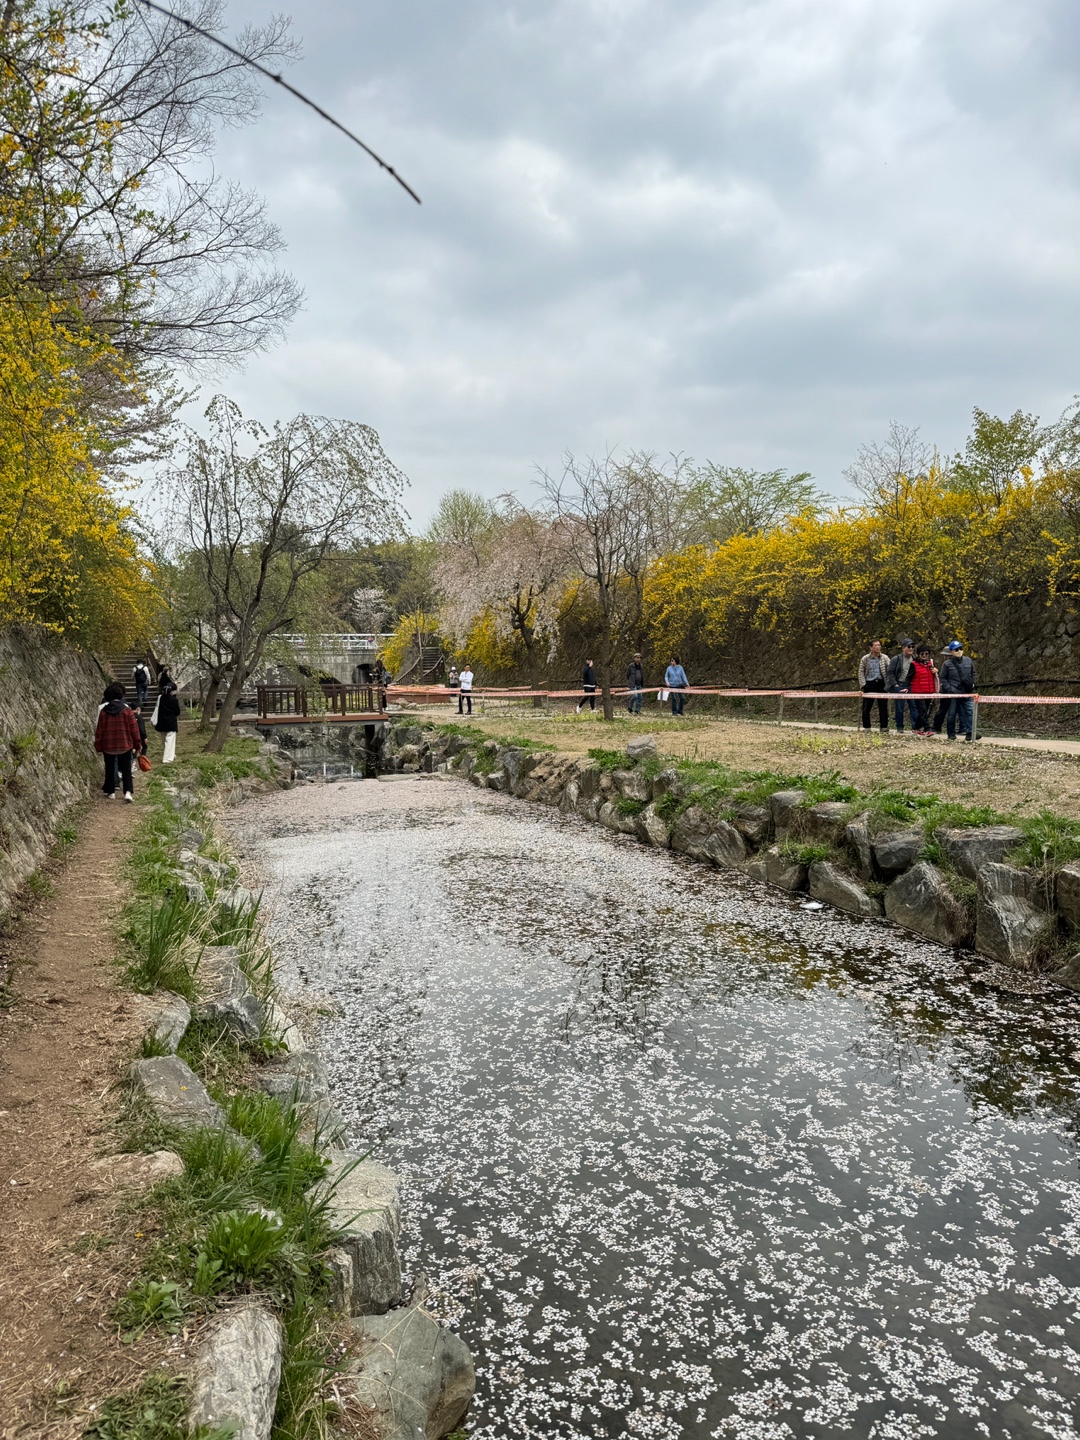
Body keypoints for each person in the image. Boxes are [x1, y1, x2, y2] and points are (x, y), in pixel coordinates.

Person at [95, 683, 141, 801]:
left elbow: (99, 730)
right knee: (126, 768)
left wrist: (98, 746)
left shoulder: (104, 712)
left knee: (109, 768)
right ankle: (127, 792)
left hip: (108, 745)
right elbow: (134, 729)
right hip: (125, 744)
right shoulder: (127, 711)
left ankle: (111, 792)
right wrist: (137, 744)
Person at [933, 640, 976, 741]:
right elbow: (943, 678)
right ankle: (951, 733)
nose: (959, 651)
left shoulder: (968, 661)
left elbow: (973, 673)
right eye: (957, 649)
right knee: (952, 713)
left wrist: (973, 683)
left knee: (970, 712)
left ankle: (969, 733)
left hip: (967, 692)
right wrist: (950, 689)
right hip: (953, 693)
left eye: (961, 648)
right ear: (951, 651)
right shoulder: (947, 664)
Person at [858, 639, 890, 732]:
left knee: (883, 706)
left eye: (879, 645)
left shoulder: (885, 658)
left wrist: (888, 684)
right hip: (869, 683)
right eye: (875, 645)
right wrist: (863, 684)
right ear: (871, 647)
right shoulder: (865, 659)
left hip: (881, 683)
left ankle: (884, 726)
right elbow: (861, 671)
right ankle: (867, 727)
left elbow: (890, 670)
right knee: (866, 706)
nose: (877, 647)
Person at [887, 639, 917, 733]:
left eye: (912, 647)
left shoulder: (915, 659)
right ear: (903, 648)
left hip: (911, 685)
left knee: (914, 706)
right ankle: (899, 727)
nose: (911, 648)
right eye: (909, 646)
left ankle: (915, 727)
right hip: (900, 684)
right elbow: (890, 672)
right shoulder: (896, 659)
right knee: (899, 707)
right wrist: (894, 684)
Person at [909, 644, 939, 735]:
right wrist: (907, 688)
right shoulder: (913, 664)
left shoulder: (931, 664)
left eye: (926, 654)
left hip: (929, 691)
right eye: (922, 654)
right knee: (922, 710)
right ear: (918, 654)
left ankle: (916, 727)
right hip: (917, 691)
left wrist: (936, 672)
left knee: (924, 710)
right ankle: (927, 728)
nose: (925, 656)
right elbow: (908, 677)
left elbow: (934, 677)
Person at [154, 679, 181, 763]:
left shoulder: (161, 698)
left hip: (161, 722)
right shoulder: (174, 700)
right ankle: (167, 758)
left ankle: (170, 755)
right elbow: (177, 711)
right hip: (171, 723)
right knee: (170, 740)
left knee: (164, 740)